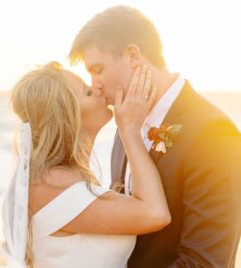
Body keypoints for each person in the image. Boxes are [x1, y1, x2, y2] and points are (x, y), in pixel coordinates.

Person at [68, 5, 241, 267]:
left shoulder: (213, 134)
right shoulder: (126, 126)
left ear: (133, 55)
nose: (95, 85)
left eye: (98, 69)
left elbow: (205, 261)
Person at [2, 61, 171, 268]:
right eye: (88, 92)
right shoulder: (50, 183)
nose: (98, 88)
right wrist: (129, 130)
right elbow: (154, 214)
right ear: (68, 116)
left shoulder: (60, 177)